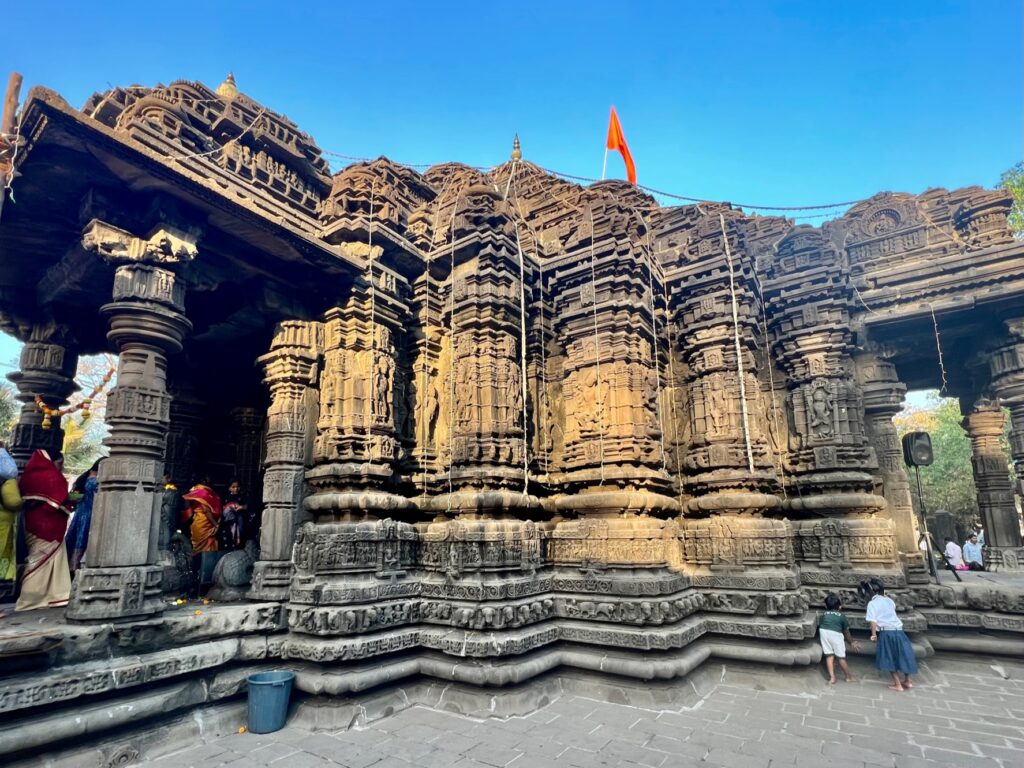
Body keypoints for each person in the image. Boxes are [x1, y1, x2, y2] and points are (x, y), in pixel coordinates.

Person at [15, 450, 73, 611]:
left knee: (36, 557)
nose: (60, 468)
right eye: (59, 463)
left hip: (31, 521)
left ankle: (48, 597)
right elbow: (54, 504)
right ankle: (31, 598)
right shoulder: (52, 477)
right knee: (42, 560)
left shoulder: (28, 477)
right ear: (51, 461)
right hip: (49, 524)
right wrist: (69, 504)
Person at [860, 579, 918, 692]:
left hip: (887, 633)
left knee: (889, 657)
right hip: (899, 631)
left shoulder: (872, 604)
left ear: (871, 593)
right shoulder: (889, 601)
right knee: (903, 655)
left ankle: (897, 684)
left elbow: (873, 622)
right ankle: (907, 680)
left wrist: (873, 635)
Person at [65, 460, 101, 573]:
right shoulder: (97, 482)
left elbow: (72, 498)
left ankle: (69, 565)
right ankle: (76, 565)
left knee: (75, 538)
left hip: (80, 513)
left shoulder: (83, 478)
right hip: (91, 514)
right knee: (84, 539)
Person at [818, 593, 860, 684]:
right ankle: (848, 677)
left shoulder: (823, 615)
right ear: (839, 607)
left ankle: (832, 678)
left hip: (823, 632)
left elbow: (822, 624)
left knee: (829, 655)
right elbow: (846, 632)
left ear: (826, 606)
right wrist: (851, 642)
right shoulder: (841, 616)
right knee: (841, 657)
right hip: (835, 634)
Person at [182, 481, 222, 555]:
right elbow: (206, 511)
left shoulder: (195, 491)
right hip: (204, 523)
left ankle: (197, 564)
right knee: (207, 546)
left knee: (198, 549)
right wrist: (216, 524)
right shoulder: (202, 493)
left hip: (198, 522)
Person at [221, 480, 249, 549]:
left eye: (237, 487)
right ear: (229, 488)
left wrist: (241, 507)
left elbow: (247, 506)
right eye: (233, 487)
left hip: (240, 520)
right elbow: (222, 509)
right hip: (229, 522)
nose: (236, 489)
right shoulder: (225, 498)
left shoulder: (243, 497)